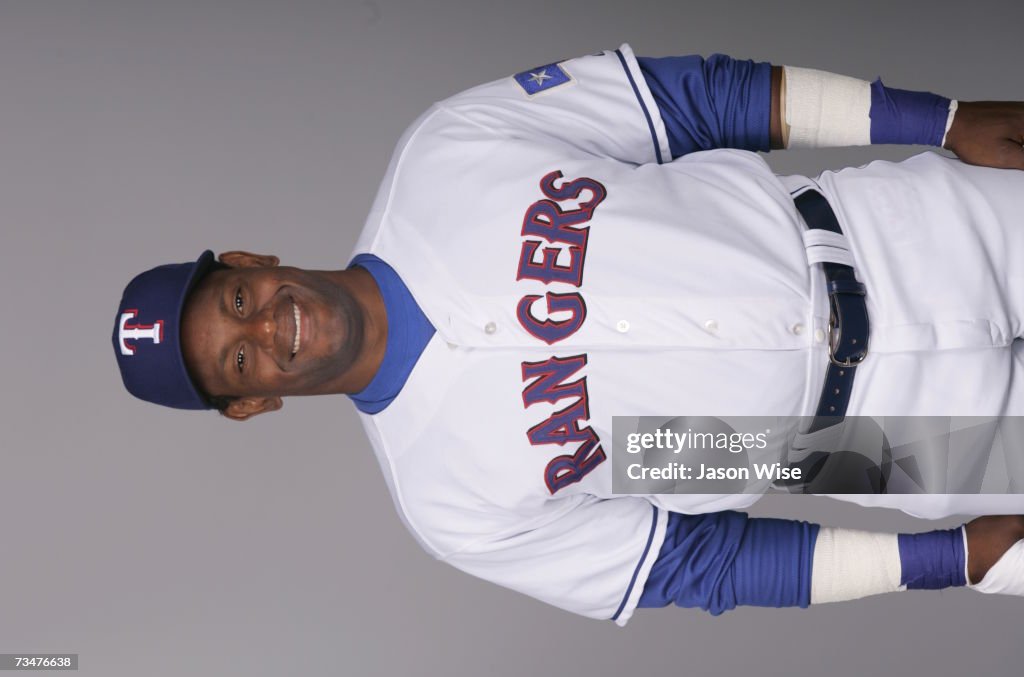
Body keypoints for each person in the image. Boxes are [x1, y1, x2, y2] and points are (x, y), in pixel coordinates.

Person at [112, 44, 1024, 624]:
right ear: (252, 402)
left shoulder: (444, 154)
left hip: (903, 229)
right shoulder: (449, 503)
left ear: (247, 257)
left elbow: (689, 102)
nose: (270, 325)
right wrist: (946, 560)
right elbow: (696, 560)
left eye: (237, 299)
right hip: (890, 445)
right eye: (239, 357)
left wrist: (939, 121)